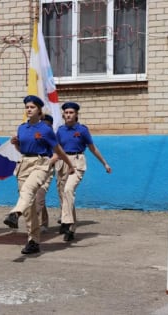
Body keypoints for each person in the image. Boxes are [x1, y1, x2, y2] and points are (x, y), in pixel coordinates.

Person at [3, 95, 75, 255]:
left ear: (39, 110)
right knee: (28, 206)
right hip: (24, 164)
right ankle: (33, 241)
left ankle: (14, 213)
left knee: (28, 190)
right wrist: (17, 144)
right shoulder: (22, 128)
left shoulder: (45, 129)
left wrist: (70, 164)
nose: (29, 110)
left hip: (41, 164)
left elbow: (57, 150)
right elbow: (22, 150)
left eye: (32, 107)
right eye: (27, 107)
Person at [56, 101, 112, 242]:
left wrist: (105, 163)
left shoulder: (82, 130)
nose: (68, 115)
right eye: (66, 112)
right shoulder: (60, 130)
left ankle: (65, 221)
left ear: (76, 115)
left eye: (71, 112)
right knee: (65, 196)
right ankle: (71, 228)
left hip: (77, 161)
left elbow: (93, 148)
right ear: (63, 114)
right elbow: (57, 150)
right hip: (62, 162)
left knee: (69, 190)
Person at [35, 114, 57, 232]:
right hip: (34, 168)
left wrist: (47, 162)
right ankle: (43, 222)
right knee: (35, 195)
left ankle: (37, 224)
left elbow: (56, 154)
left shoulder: (52, 137)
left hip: (48, 169)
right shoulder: (36, 135)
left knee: (40, 194)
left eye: (46, 125)